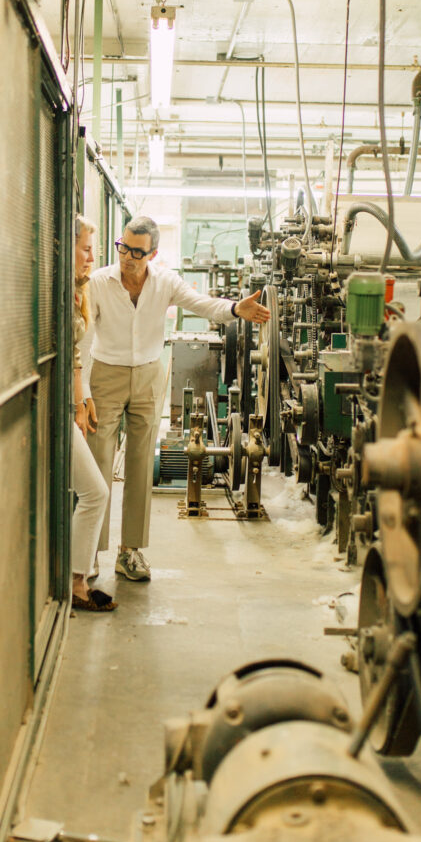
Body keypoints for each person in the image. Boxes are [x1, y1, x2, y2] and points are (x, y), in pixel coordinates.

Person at [84, 215, 270, 581]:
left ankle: (130, 551)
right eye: (124, 248)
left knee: (140, 464)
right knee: (99, 463)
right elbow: (86, 334)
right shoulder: (99, 283)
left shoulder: (164, 283)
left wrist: (235, 309)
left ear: (152, 253)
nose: (128, 258)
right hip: (105, 374)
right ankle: (90, 552)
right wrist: (84, 389)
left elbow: (202, 304)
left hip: (149, 375)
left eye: (137, 252)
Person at [71, 215, 117, 612]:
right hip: (54, 408)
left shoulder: (77, 291)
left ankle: (76, 578)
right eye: (85, 248)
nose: (91, 257)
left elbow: (76, 357)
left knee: (89, 490)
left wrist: (84, 400)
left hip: (67, 405)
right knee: (95, 491)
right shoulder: (57, 291)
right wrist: (75, 404)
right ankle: (76, 582)